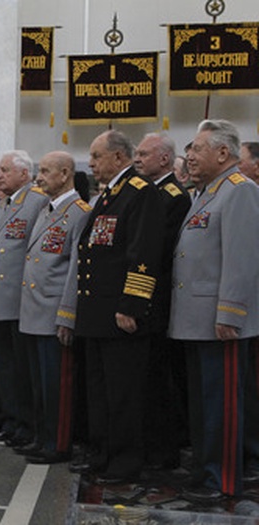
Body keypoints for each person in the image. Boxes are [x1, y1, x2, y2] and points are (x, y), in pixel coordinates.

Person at [169, 120, 259, 502]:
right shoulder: (206, 193)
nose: (189, 156)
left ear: (223, 153)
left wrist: (231, 313)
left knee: (221, 403)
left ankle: (220, 480)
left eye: (198, 149)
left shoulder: (240, 191)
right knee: (203, 403)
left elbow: (242, 257)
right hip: (194, 318)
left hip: (218, 321)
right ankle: (204, 468)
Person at [73, 130, 163, 483]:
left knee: (123, 393)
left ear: (119, 158)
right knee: (99, 390)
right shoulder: (110, 196)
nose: (91, 164)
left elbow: (143, 254)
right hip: (96, 313)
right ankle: (102, 452)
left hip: (120, 313)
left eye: (96, 157)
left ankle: (125, 461)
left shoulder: (141, 194)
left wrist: (132, 305)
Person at [17, 151, 91, 465]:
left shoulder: (79, 212)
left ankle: (58, 443)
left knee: (56, 385)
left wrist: (67, 314)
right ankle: (41, 436)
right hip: (34, 311)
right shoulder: (47, 210)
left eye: (46, 171)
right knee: (39, 384)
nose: (39, 177)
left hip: (53, 312)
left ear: (65, 173)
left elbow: (76, 268)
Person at [0, 151, 48, 447]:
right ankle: (11, 420)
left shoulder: (36, 201)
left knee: (21, 371)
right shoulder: (2, 204)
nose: (0, 176)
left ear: (24, 173)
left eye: (5, 170)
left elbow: (35, 251)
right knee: (4, 369)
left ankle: (27, 424)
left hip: (21, 300)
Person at [133, 132, 192, 471]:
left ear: (165, 160)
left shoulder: (173, 197)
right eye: (136, 153)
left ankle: (163, 452)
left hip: (158, 301)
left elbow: (158, 254)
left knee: (160, 380)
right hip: (147, 300)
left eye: (143, 154)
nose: (137, 159)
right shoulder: (149, 193)